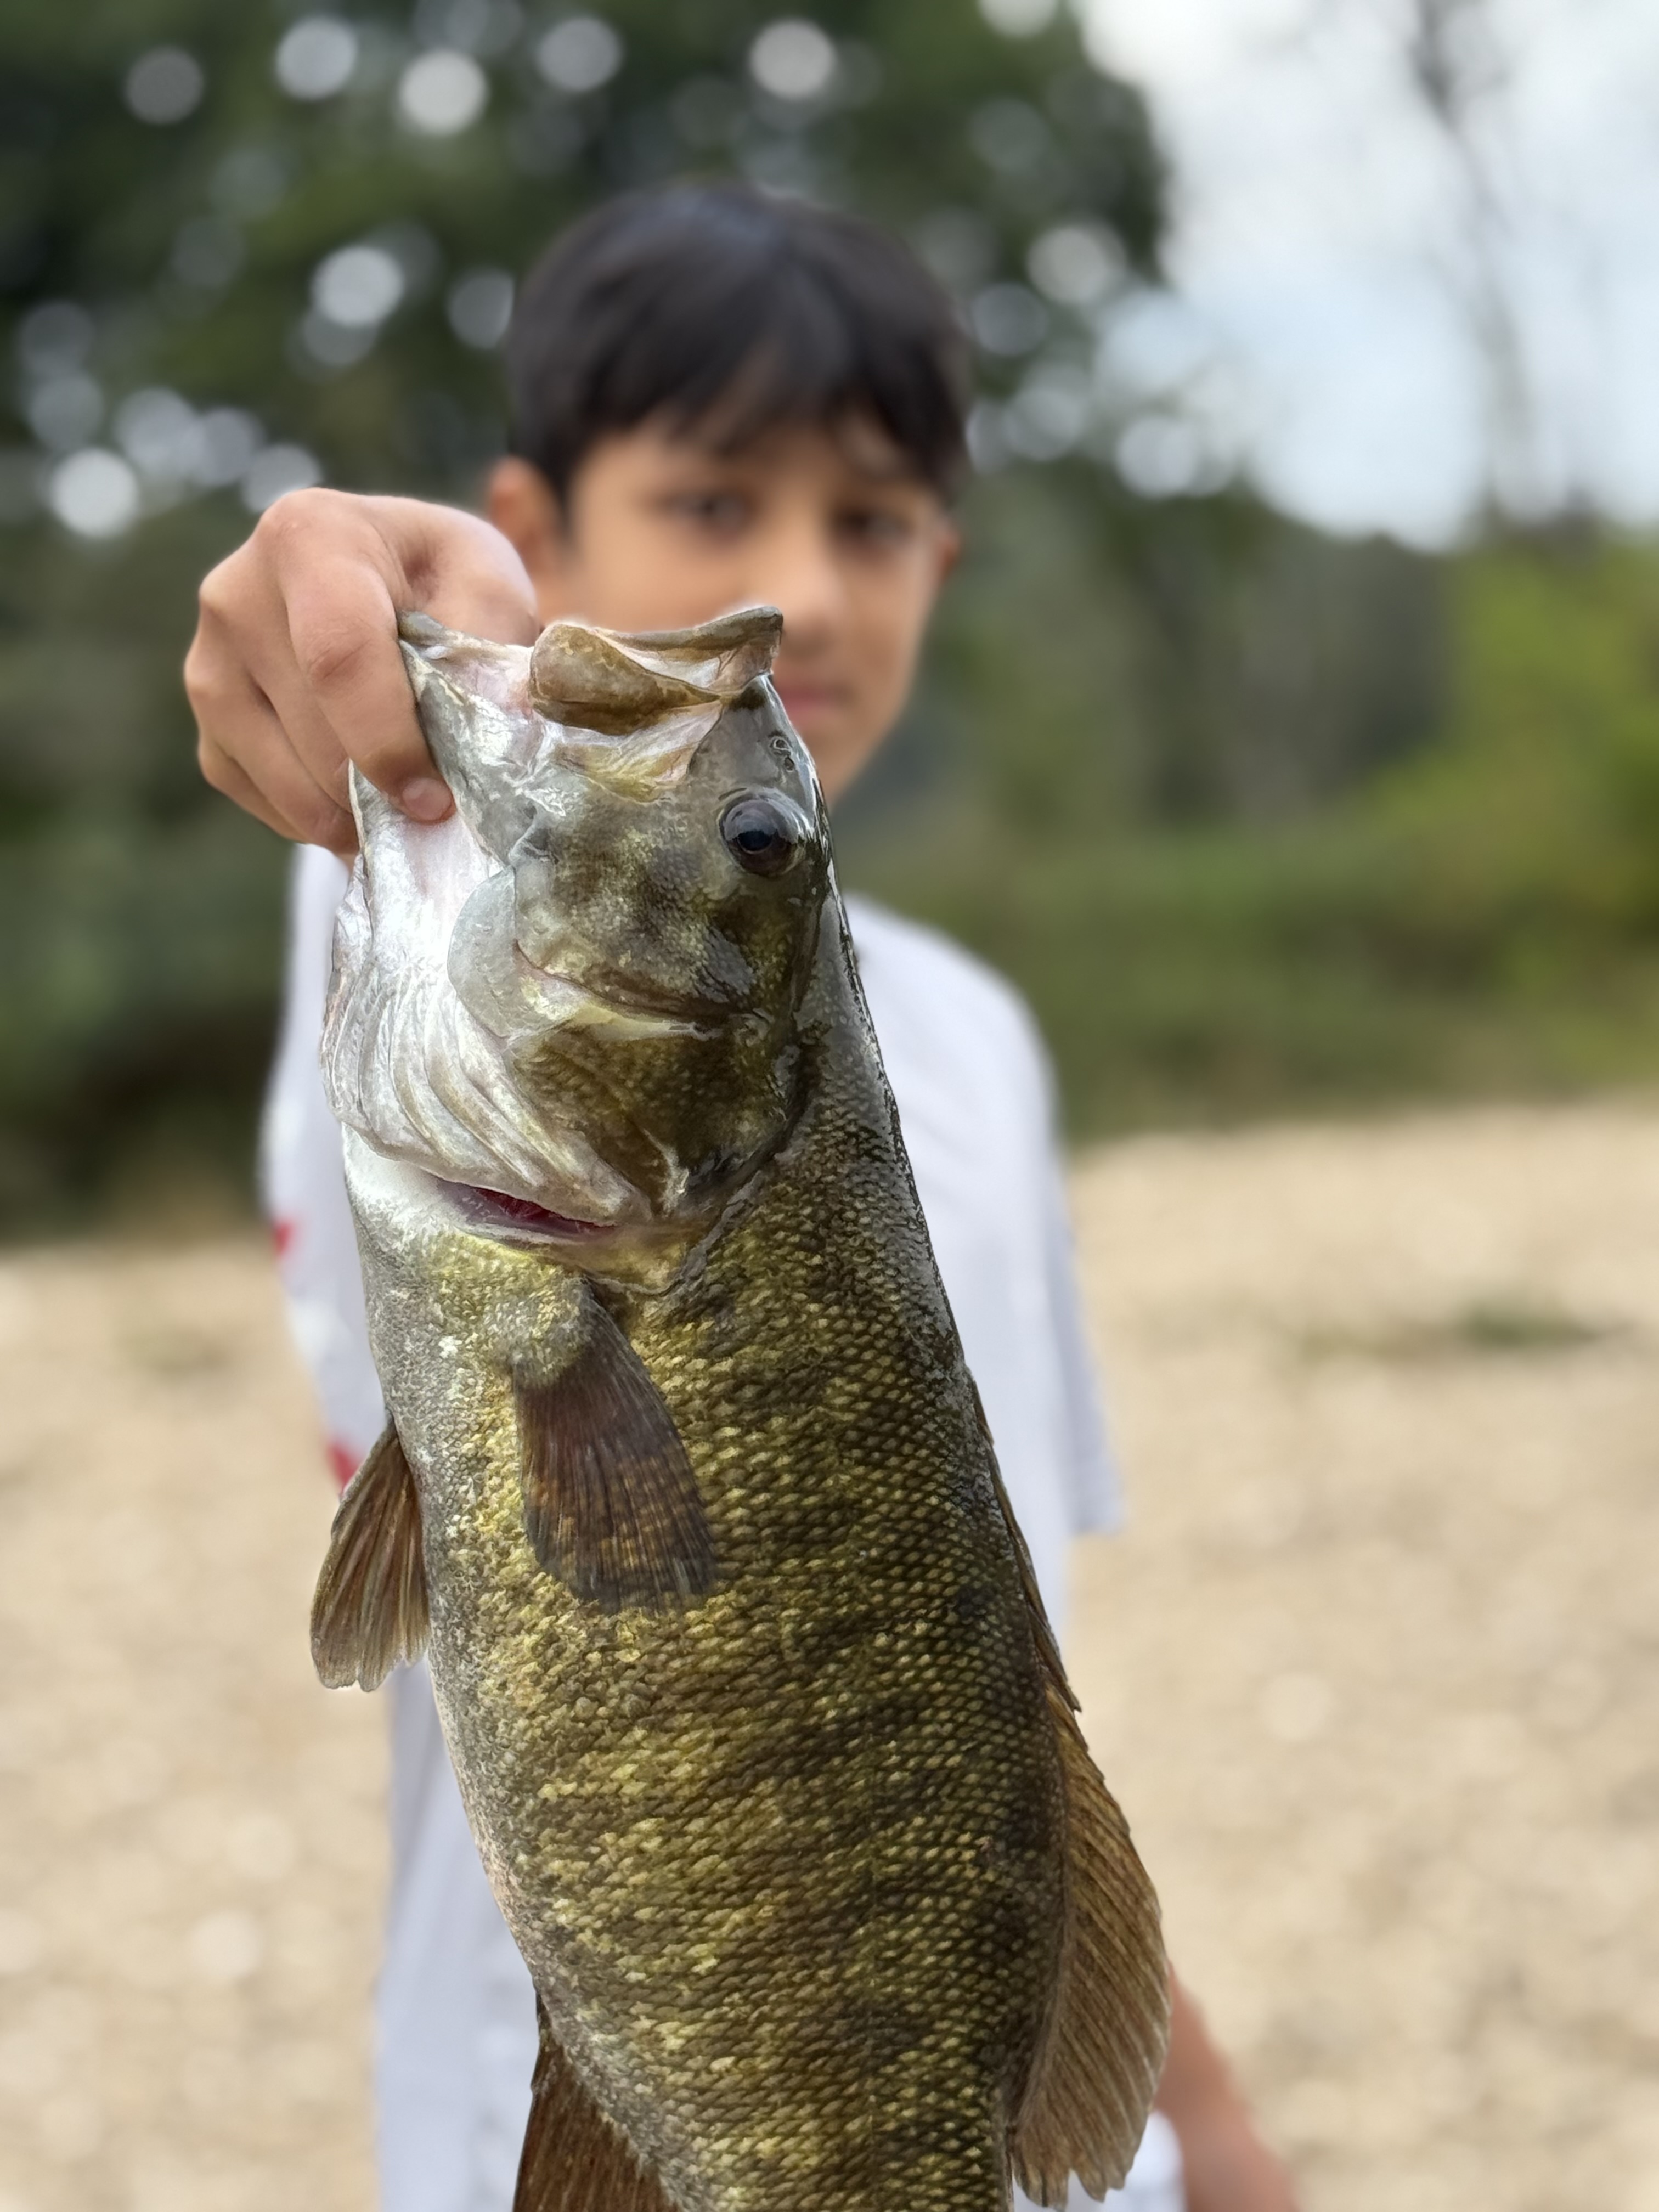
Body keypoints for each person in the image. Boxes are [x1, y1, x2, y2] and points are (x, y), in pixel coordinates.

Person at [187, 184, 1295, 2212]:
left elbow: (999, 1683)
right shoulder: (408, 923)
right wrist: (357, 599)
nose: (798, 598)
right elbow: (348, 710)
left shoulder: (977, 1039)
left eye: (873, 523)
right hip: (555, 2120)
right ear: (533, 525)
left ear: (945, 560)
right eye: (712, 502)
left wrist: (1190, 2112)